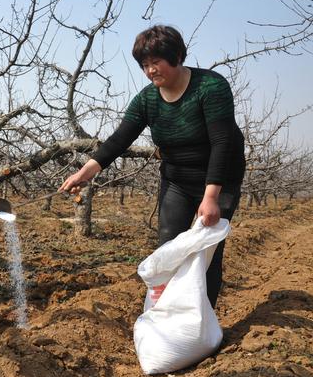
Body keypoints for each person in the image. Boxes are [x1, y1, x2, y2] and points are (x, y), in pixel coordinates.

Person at [59, 25, 245, 308]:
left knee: (206, 252)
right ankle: (168, 317)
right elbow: (120, 138)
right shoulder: (148, 99)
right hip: (177, 180)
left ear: (177, 56)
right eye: (144, 65)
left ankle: (200, 323)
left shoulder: (211, 87)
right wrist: (86, 171)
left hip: (220, 180)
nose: (150, 71)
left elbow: (223, 142)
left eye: (156, 62)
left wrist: (211, 197)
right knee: (168, 247)